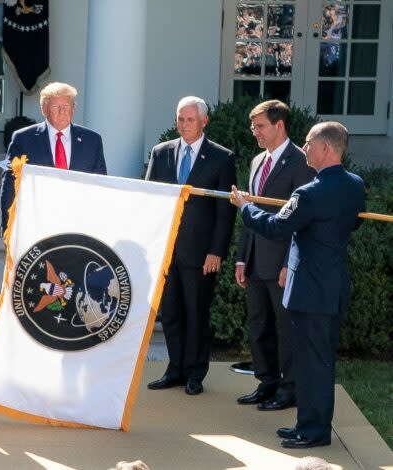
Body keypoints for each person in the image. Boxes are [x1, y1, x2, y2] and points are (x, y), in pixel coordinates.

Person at [230, 121, 365, 449]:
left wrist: (246, 208)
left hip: (310, 290)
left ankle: (314, 432)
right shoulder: (355, 185)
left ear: (327, 149)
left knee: (313, 363)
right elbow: (355, 222)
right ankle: (307, 423)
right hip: (333, 286)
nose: (304, 148)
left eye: (309, 143)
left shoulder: (309, 193)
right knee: (316, 361)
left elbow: (277, 227)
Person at [145, 96, 237, 395]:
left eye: (190, 120)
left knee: (196, 313)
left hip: (201, 253)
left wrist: (217, 250)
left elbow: (225, 211)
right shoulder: (161, 153)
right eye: (180, 119)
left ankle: (196, 373)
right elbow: (150, 200)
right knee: (170, 312)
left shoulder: (222, 158)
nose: (184, 125)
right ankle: (175, 368)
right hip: (166, 250)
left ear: (204, 121)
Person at [235, 100, 315, 411]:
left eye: (260, 126)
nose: (254, 131)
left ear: (279, 125)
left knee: (285, 328)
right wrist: (242, 257)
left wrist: (287, 264)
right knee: (258, 324)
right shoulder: (257, 161)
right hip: (255, 260)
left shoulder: (300, 162)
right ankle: (266, 381)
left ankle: (289, 387)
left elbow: (301, 219)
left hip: (281, 263)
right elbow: (250, 211)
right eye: (253, 126)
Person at [0, 81, 107, 232]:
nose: (62, 111)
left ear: (73, 109)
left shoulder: (92, 140)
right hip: (37, 226)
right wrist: (8, 229)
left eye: (67, 106)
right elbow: (10, 186)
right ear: (44, 109)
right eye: (56, 106)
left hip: (79, 227)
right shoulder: (23, 139)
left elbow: (101, 186)